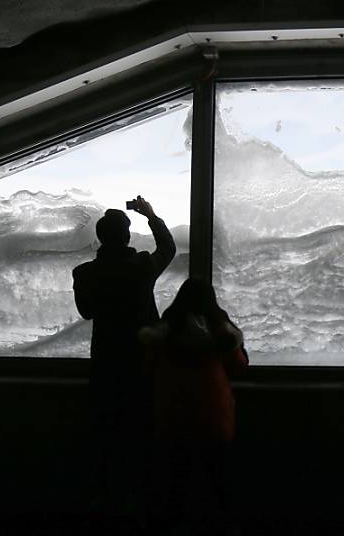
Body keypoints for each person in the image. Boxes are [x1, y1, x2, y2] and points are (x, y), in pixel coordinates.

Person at [72, 196, 176, 518]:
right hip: (142, 363)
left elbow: (87, 311)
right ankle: (142, 501)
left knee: (106, 433)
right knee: (142, 433)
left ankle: (104, 500)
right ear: (127, 237)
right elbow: (168, 249)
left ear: (100, 238)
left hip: (105, 362)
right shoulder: (141, 266)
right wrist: (151, 215)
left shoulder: (84, 273)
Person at [139, 277, 249, 534]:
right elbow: (239, 366)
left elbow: (148, 368)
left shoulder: (163, 334)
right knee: (219, 478)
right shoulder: (221, 332)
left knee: (177, 481)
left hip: (173, 413)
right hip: (213, 414)